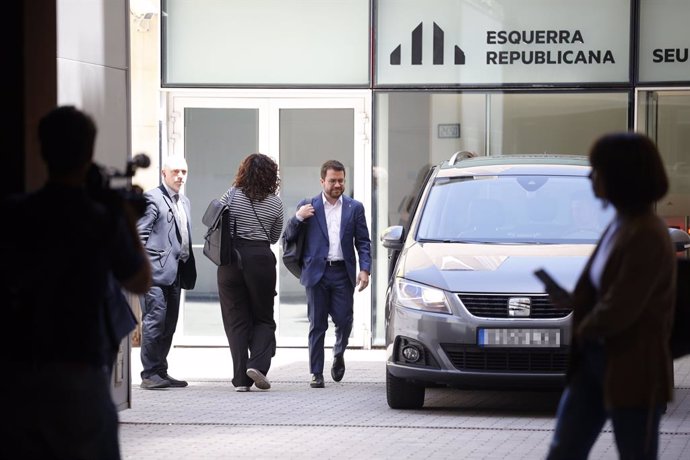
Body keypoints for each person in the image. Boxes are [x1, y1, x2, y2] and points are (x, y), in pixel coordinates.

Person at [0, 105, 152, 459]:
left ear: (41, 149)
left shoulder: (14, 212)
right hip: (79, 370)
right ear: (89, 152)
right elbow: (140, 280)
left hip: (19, 370)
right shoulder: (100, 219)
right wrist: (126, 221)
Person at [544, 132, 676, 460]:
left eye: (597, 169)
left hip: (632, 367)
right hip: (594, 362)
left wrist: (583, 327)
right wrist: (574, 302)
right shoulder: (619, 225)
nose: (591, 177)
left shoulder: (646, 232)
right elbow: (608, 293)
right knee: (564, 451)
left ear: (620, 176)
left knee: (635, 453)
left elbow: (621, 307)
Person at [282, 160, 372, 388]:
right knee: (317, 324)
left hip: (342, 272)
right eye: (332, 180)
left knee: (344, 320)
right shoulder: (309, 205)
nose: (337, 185)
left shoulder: (354, 207)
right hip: (316, 274)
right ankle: (316, 373)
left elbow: (363, 241)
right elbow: (287, 237)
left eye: (341, 180)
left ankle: (339, 352)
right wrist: (298, 217)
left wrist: (365, 269)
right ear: (322, 181)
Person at [216, 153, 284, 392]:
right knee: (263, 317)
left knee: (236, 321)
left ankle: (240, 381)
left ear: (243, 171)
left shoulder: (232, 194)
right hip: (260, 259)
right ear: (271, 175)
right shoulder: (275, 203)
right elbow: (274, 237)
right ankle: (257, 364)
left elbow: (216, 219)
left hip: (230, 261)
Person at [137, 155, 197, 389]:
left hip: (176, 273)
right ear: (164, 174)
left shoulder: (184, 201)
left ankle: (161, 370)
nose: (180, 176)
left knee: (169, 323)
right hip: (154, 275)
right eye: (175, 172)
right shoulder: (152, 199)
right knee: (154, 322)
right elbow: (139, 236)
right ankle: (149, 373)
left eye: (184, 171)